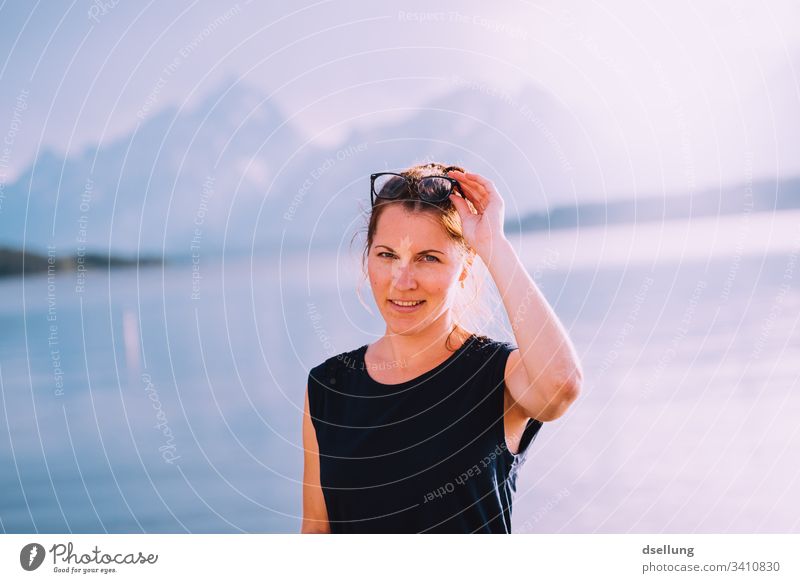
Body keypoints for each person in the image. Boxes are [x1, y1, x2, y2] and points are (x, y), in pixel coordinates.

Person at [301, 162, 582, 533]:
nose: (403, 282)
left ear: (464, 267)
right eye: (387, 255)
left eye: (428, 258)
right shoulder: (329, 386)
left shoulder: (496, 374)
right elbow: (316, 531)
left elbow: (561, 385)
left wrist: (492, 245)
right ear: (367, 258)